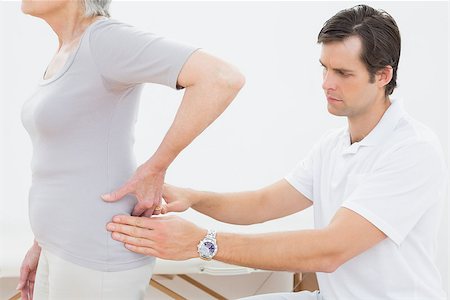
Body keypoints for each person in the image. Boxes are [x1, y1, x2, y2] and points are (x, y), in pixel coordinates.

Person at [107, 4, 448, 300]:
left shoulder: (412, 150)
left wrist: (203, 243)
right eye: (324, 68)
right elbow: (263, 204)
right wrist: (195, 198)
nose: (327, 83)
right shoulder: (333, 147)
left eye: (343, 73)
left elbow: (330, 250)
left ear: (383, 75)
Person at [16, 0, 245, 299]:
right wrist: (41, 243)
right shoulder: (67, 48)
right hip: (58, 247)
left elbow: (221, 77)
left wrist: (156, 167)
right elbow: (61, 158)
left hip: (96, 253)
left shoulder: (104, 40)